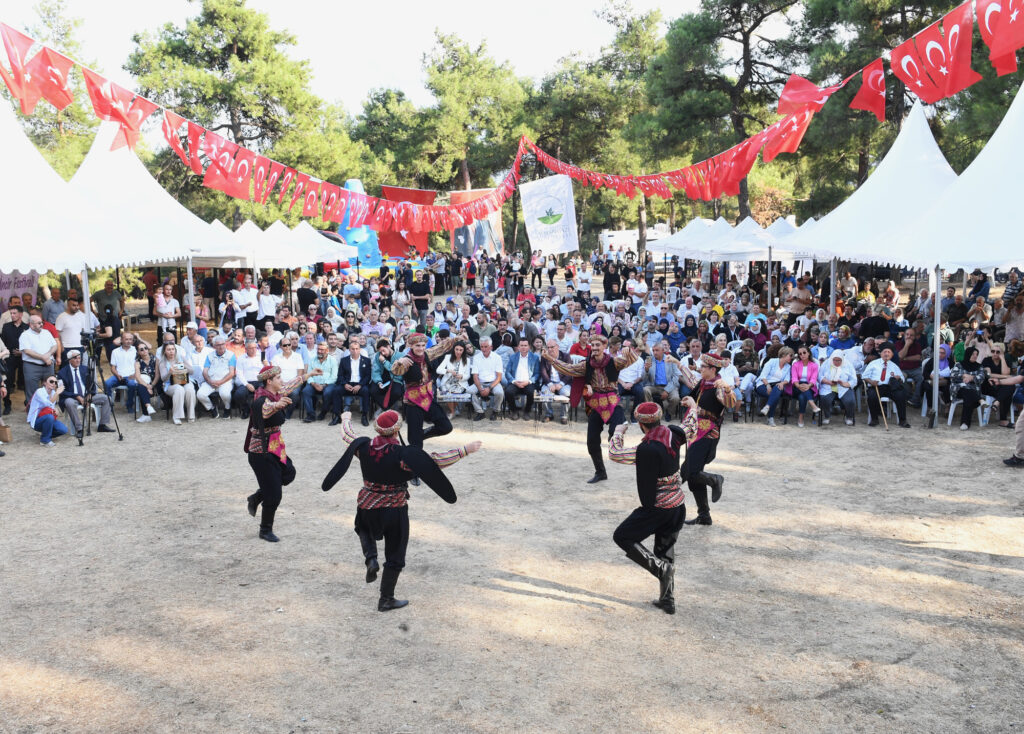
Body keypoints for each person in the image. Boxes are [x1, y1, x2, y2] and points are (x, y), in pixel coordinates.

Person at [322, 410, 481, 611]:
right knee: (395, 554)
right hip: (394, 509)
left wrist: (345, 419)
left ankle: (371, 557)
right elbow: (434, 463)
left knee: (362, 527)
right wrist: (464, 450)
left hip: (368, 503)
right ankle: (386, 598)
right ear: (397, 431)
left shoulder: (363, 447)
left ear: (378, 429)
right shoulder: (403, 456)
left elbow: (348, 437)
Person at [607, 402, 686, 614]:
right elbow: (691, 428)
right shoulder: (674, 435)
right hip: (677, 504)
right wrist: (693, 410)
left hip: (657, 508)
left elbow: (615, 453)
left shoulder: (646, 449)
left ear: (642, 425)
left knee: (622, 536)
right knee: (665, 551)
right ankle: (667, 600)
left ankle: (661, 570)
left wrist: (618, 432)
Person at [543, 333, 640, 483]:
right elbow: (569, 369)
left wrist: (629, 352)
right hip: (596, 403)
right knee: (591, 441)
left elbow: (631, 360)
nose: (594, 348)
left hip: (613, 402)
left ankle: (619, 435)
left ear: (604, 347)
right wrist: (551, 359)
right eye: (592, 345)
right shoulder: (586, 364)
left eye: (597, 345)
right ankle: (600, 472)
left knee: (613, 434)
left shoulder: (614, 362)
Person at [244, 363, 320, 542]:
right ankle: (265, 529)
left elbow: (289, 386)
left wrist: (308, 374)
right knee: (274, 495)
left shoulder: (274, 392)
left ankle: (256, 497)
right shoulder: (262, 398)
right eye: (278, 378)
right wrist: (277, 405)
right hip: (261, 453)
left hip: (275, 447)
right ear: (269, 381)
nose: (282, 380)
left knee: (289, 474)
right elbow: (264, 410)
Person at [676, 352, 735, 525]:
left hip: (708, 433)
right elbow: (692, 382)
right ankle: (704, 515)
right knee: (692, 476)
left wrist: (727, 388)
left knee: (690, 472)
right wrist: (677, 364)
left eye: (703, 367)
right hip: (695, 431)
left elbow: (731, 403)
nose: (700, 368)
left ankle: (715, 479)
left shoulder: (718, 386)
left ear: (712, 369)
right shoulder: (704, 383)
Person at [391, 332, 455, 448]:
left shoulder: (426, 354)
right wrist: (399, 362)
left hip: (427, 399)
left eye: (422, 345)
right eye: (417, 346)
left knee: (446, 426)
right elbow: (395, 371)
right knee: (416, 444)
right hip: (413, 403)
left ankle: (421, 434)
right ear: (411, 346)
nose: (420, 348)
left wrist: (457, 338)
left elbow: (440, 347)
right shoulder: (407, 360)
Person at [57, 350, 114, 436]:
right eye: (75, 358)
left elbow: (92, 385)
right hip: (72, 398)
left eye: (79, 358)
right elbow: (62, 391)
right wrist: (77, 396)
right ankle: (79, 429)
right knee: (69, 402)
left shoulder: (85, 369)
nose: (78, 360)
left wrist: (89, 395)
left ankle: (102, 425)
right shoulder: (62, 373)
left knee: (107, 398)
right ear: (69, 360)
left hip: (87, 396)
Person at [862, 343, 912, 428]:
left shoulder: (894, 366)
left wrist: (898, 378)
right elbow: (864, 376)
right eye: (885, 352)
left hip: (890, 388)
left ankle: (902, 420)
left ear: (892, 354)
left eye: (889, 352)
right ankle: (874, 419)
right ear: (880, 353)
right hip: (876, 386)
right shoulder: (873, 363)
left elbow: (902, 378)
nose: (886, 354)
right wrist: (871, 382)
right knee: (872, 396)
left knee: (901, 395)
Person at [19, 313, 58, 400]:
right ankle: (33, 412)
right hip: (32, 367)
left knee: (50, 389)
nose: (41, 325)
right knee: (32, 393)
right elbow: (27, 351)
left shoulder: (46, 332)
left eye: (42, 323)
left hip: (48, 366)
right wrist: (43, 357)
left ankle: (49, 411)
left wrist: (47, 355)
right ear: (31, 325)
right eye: (39, 323)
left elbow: (55, 346)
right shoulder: (25, 335)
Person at [197, 335, 237, 419]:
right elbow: (205, 371)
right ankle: (211, 408)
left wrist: (220, 382)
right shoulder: (209, 356)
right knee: (200, 394)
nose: (221, 346)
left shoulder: (231, 355)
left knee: (225, 394)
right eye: (218, 345)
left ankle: (227, 408)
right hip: (211, 381)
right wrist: (209, 381)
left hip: (225, 381)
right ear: (214, 346)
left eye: (223, 344)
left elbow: (231, 373)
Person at [157, 343, 197, 425]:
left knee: (189, 389)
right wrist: (169, 372)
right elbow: (163, 379)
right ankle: (177, 417)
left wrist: (184, 365)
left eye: (173, 349)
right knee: (179, 389)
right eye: (168, 349)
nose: (171, 352)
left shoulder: (181, 358)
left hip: (184, 381)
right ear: (164, 351)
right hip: (170, 385)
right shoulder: (163, 362)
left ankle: (191, 415)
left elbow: (192, 371)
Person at [949, 347, 987, 431]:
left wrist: (971, 378)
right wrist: (963, 376)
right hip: (958, 389)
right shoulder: (958, 364)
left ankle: (965, 423)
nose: (975, 356)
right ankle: (980, 400)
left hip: (972, 390)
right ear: (968, 354)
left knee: (968, 396)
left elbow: (981, 378)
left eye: (976, 354)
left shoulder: (979, 366)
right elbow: (952, 376)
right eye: (973, 354)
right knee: (967, 391)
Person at [335, 337, 372, 424]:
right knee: (336, 391)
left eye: (357, 349)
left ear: (360, 349)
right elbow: (340, 375)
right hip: (347, 383)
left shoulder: (366, 360)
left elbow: (368, 376)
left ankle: (364, 416)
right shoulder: (344, 360)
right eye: (352, 349)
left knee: (366, 391)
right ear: (349, 350)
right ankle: (337, 416)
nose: (355, 351)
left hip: (360, 384)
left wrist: (360, 385)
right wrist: (344, 384)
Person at [755, 346, 793, 427]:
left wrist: (782, 383)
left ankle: (767, 407)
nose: (791, 358)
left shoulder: (788, 366)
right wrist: (768, 385)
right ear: (784, 355)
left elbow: (787, 379)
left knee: (778, 389)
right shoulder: (772, 361)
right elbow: (762, 376)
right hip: (763, 383)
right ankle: (770, 418)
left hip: (776, 385)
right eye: (790, 355)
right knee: (775, 395)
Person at [817, 350, 858, 426]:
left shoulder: (848, 364)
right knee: (825, 398)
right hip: (828, 386)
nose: (836, 362)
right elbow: (819, 376)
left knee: (850, 400)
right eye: (835, 360)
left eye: (839, 360)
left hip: (844, 387)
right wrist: (828, 382)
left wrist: (844, 383)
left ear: (842, 359)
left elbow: (854, 379)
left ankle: (849, 417)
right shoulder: (826, 363)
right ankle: (827, 416)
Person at [28, 374, 68, 446]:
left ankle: (45, 435)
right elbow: (47, 404)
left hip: (47, 417)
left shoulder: (53, 393)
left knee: (63, 430)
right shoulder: (39, 391)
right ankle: (45, 440)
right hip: (37, 420)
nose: (53, 384)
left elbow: (51, 407)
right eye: (51, 381)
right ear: (45, 383)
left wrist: (55, 410)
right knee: (49, 417)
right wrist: (57, 393)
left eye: (55, 382)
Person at [505, 337, 540, 420]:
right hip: (515, 382)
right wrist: (514, 381)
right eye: (522, 345)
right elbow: (507, 372)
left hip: (528, 383)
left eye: (525, 345)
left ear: (529, 347)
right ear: (518, 347)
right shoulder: (513, 357)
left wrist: (528, 382)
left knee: (531, 392)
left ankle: (527, 411)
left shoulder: (535, 358)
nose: (523, 347)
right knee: (508, 392)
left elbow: (537, 374)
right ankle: (514, 411)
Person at [788, 346, 821, 427]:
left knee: (802, 396)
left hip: (810, 386)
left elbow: (814, 378)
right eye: (800, 354)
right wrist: (798, 385)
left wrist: (808, 386)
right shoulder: (795, 364)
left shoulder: (814, 365)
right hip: (796, 386)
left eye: (804, 352)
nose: (802, 355)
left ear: (809, 353)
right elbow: (794, 378)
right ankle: (812, 404)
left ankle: (801, 417)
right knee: (803, 392)